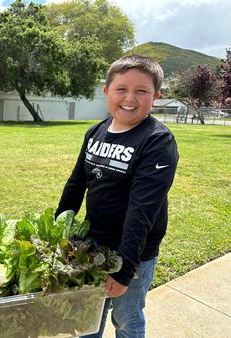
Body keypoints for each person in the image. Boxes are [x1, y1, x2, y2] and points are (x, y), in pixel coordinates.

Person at [55, 55, 179, 338]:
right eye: (121, 89)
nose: (130, 98)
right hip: (93, 245)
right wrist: (58, 232)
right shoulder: (96, 132)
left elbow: (143, 210)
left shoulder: (158, 141)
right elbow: (76, 184)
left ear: (156, 96)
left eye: (141, 91)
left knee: (127, 320)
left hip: (134, 254)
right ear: (106, 91)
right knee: (88, 317)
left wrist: (124, 271)